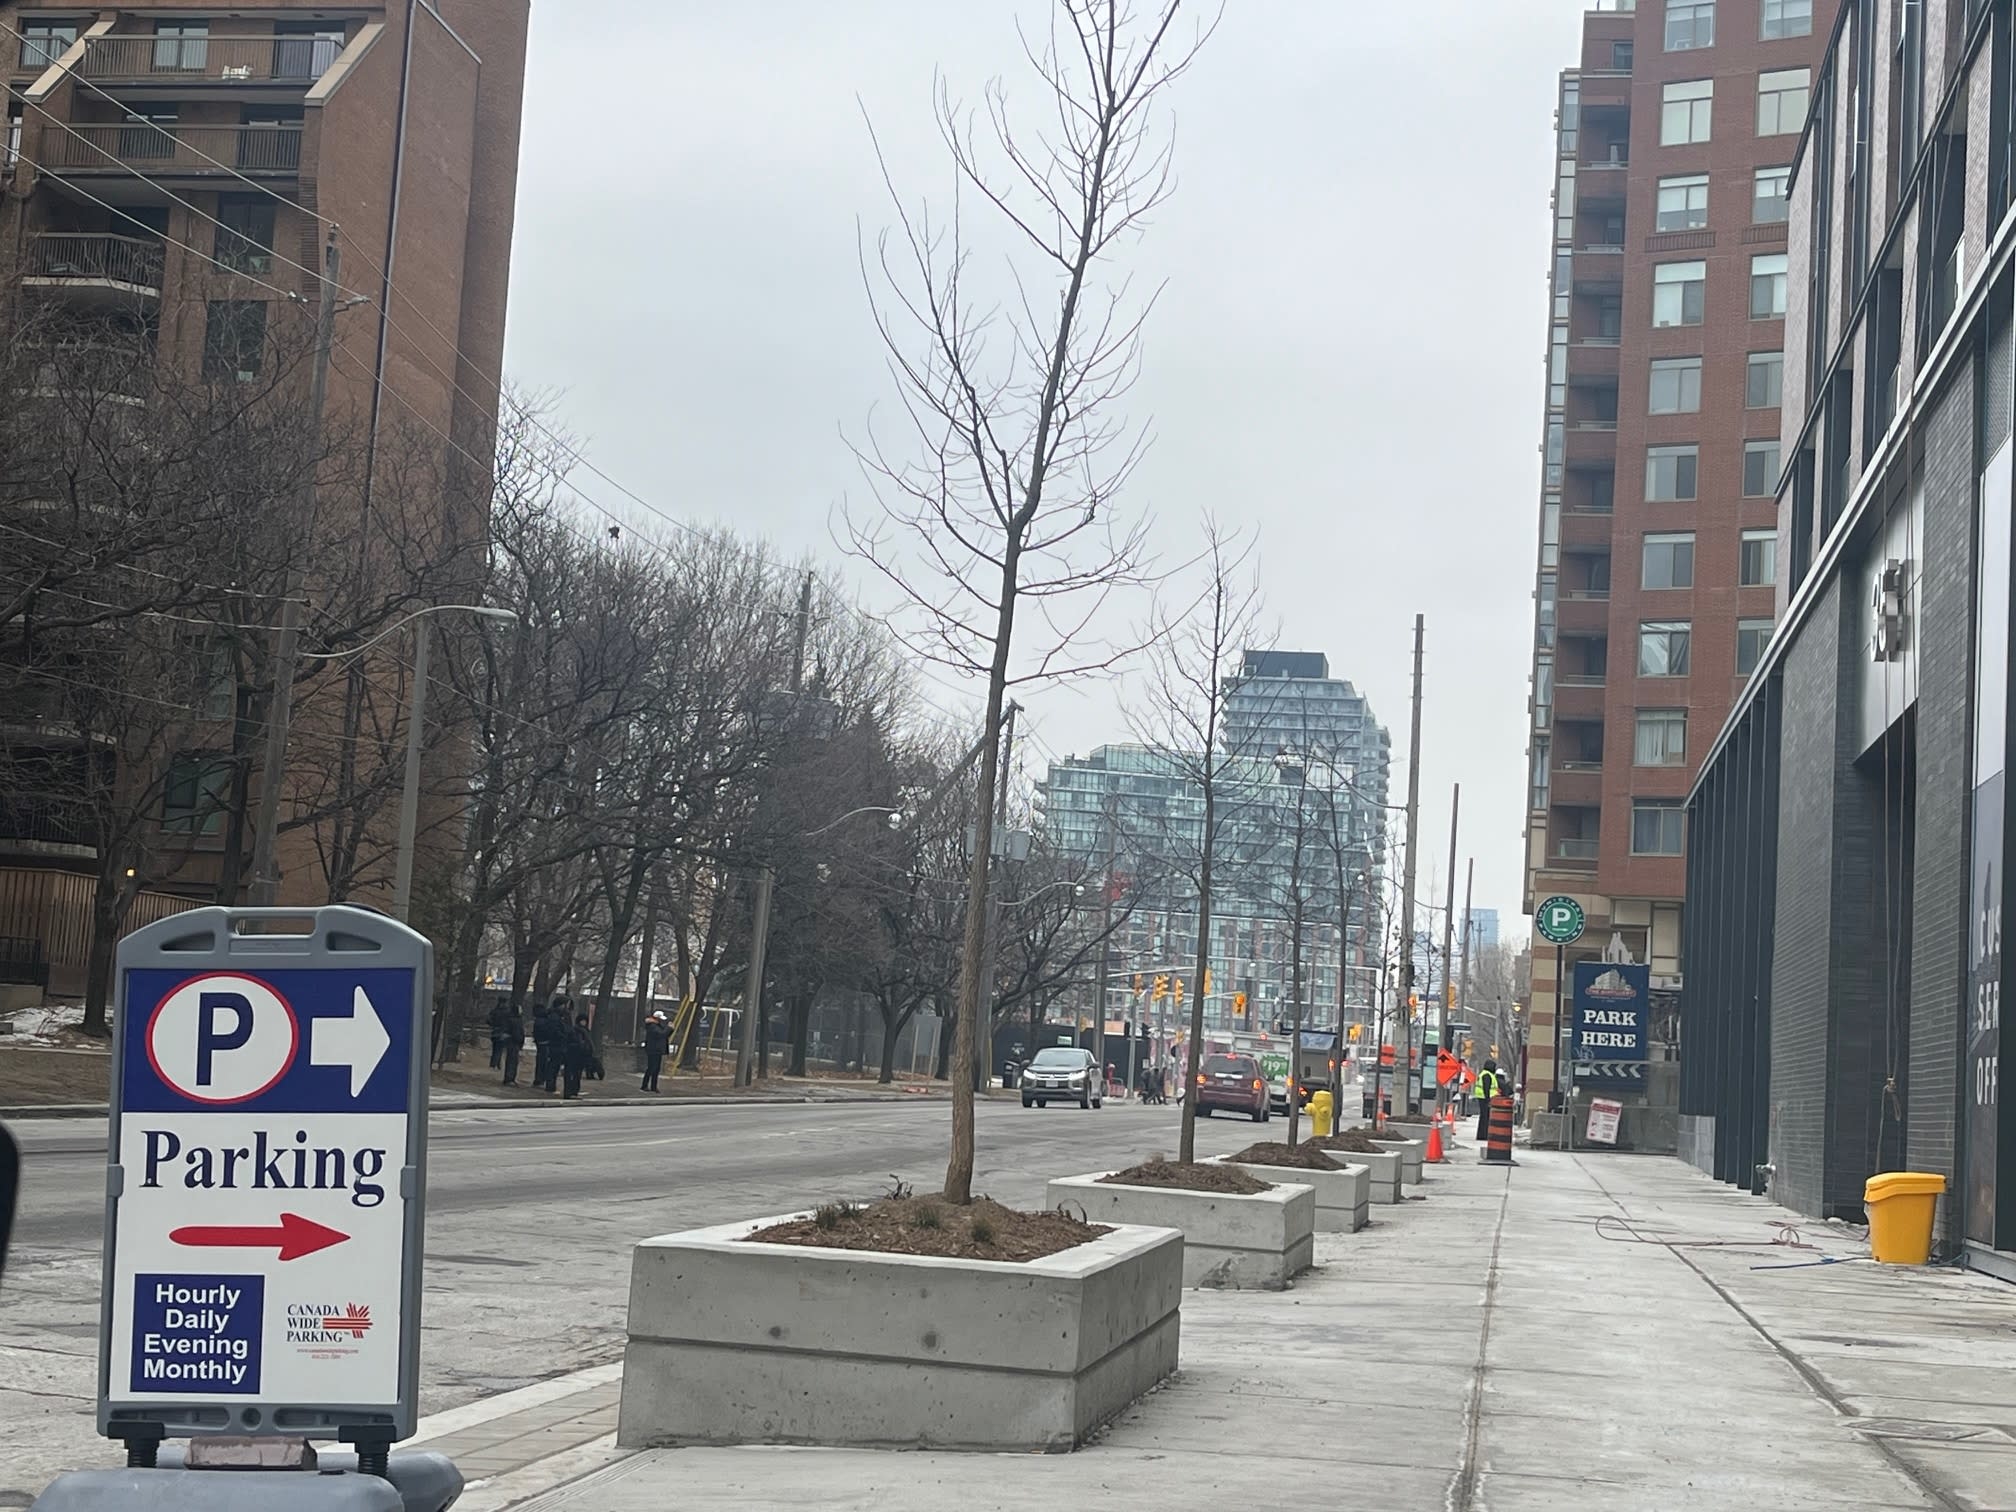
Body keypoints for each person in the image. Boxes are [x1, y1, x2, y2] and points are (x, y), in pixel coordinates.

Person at [561, 1012, 594, 1100]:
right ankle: (570, 1092)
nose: (584, 1022)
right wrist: (581, 1046)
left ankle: (574, 1092)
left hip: (581, 1056)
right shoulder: (576, 1030)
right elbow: (574, 1043)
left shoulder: (585, 1031)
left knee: (577, 1075)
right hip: (574, 1055)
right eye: (582, 1021)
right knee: (572, 1074)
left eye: (585, 1021)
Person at [1474, 1058, 1503, 1144]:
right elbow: (1486, 1088)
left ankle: (1481, 1135)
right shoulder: (1487, 1075)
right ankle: (1483, 1135)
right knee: (1485, 1118)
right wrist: (1488, 1100)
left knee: (1484, 1117)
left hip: (1483, 1098)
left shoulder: (1485, 1074)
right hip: (1485, 1099)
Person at [641, 1011, 670, 1091]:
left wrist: (669, 1030)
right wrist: (669, 1028)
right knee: (651, 1068)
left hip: (657, 1050)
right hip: (653, 1050)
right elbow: (661, 1034)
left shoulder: (657, 1026)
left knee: (656, 1069)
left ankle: (653, 1086)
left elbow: (664, 1034)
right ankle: (645, 1085)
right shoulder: (652, 1026)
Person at [499, 1002, 524, 1086]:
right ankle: (509, 1078)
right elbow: (517, 1033)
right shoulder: (516, 1020)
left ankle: (510, 1078)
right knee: (512, 1061)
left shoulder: (511, 1019)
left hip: (511, 1042)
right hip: (514, 1042)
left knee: (511, 1060)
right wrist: (520, 1040)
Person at [487, 1001, 511, 1069]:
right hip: (503, 1032)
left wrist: (493, 1025)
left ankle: (494, 1063)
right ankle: (496, 1064)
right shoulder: (508, 1012)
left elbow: (488, 1020)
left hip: (495, 1031)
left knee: (495, 1048)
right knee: (499, 1049)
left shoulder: (494, 1011)